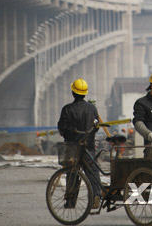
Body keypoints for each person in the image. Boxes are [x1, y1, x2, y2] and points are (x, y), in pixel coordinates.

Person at [58, 78, 101, 208]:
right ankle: (95, 197)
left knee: (71, 174)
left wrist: (71, 134)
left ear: (73, 92)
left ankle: (70, 202)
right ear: (85, 93)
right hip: (88, 147)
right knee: (93, 173)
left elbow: (62, 129)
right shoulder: (92, 108)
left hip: (72, 148)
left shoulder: (67, 109)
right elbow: (96, 126)